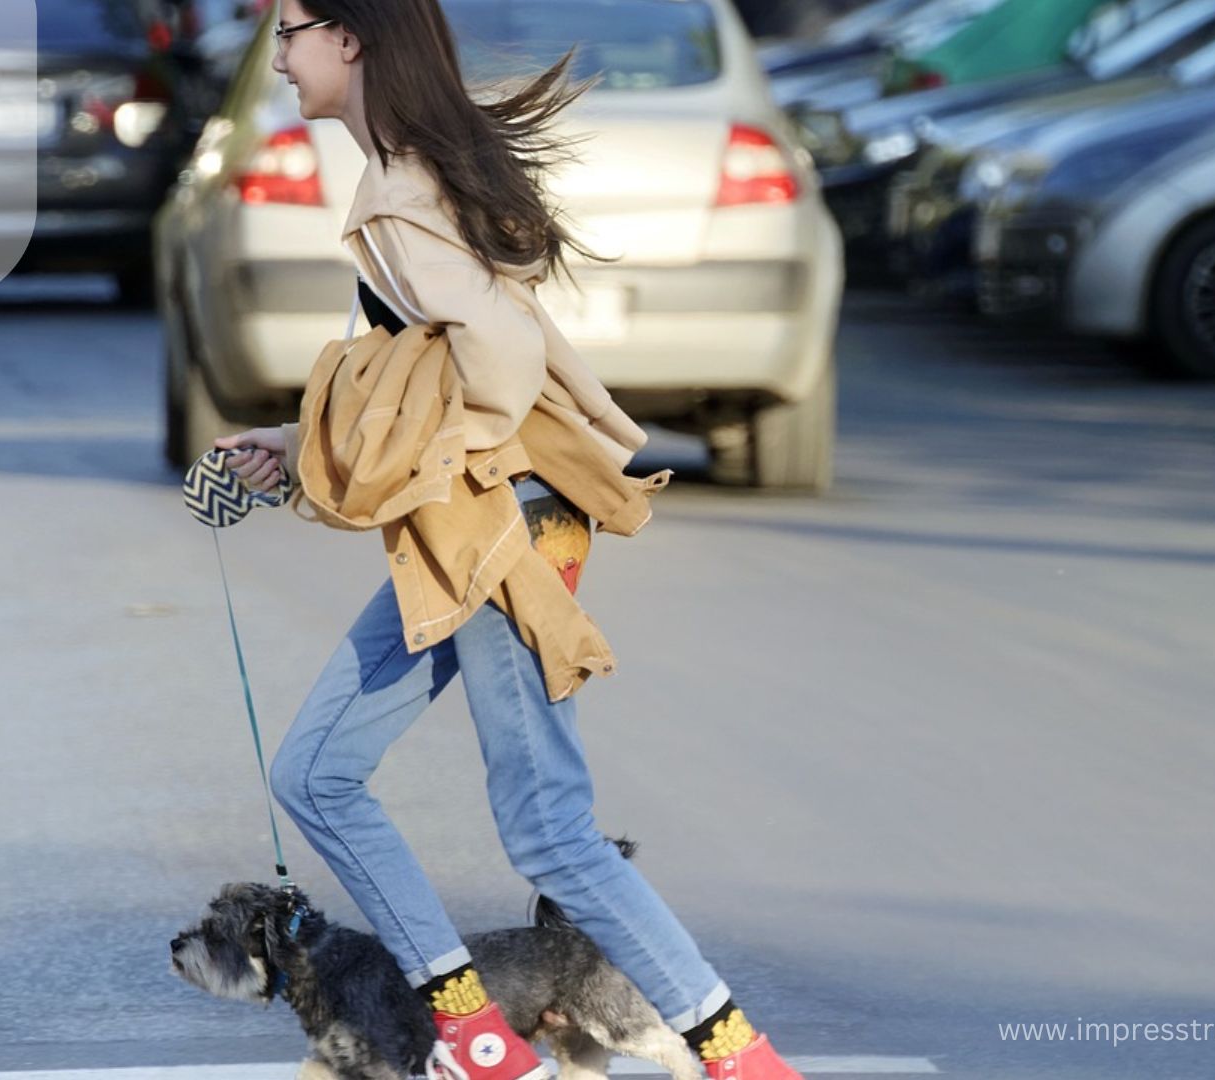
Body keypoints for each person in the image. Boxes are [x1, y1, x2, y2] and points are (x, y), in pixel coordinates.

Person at [211, 3, 806, 1079]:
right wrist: (300, 442)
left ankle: (739, 1061)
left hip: (501, 526)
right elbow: (423, 367)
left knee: (551, 832)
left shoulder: (399, 187)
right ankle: (478, 1037)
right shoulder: (411, 170)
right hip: (482, 522)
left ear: (350, 37)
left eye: (292, 29)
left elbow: (491, 353)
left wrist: (468, 459)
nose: (282, 55)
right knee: (317, 775)